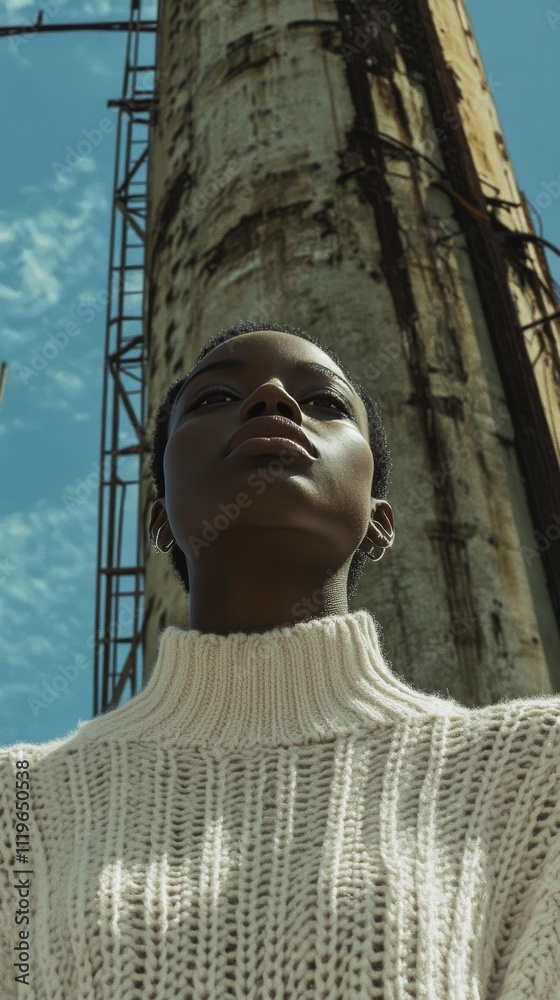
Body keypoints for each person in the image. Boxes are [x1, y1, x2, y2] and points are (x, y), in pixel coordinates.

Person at [0, 319, 558, 1000]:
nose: (272, 399)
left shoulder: (536, 774)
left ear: (380, 519)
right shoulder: (18, 803)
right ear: (158, 519)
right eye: (212, 400)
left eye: (325, 401)